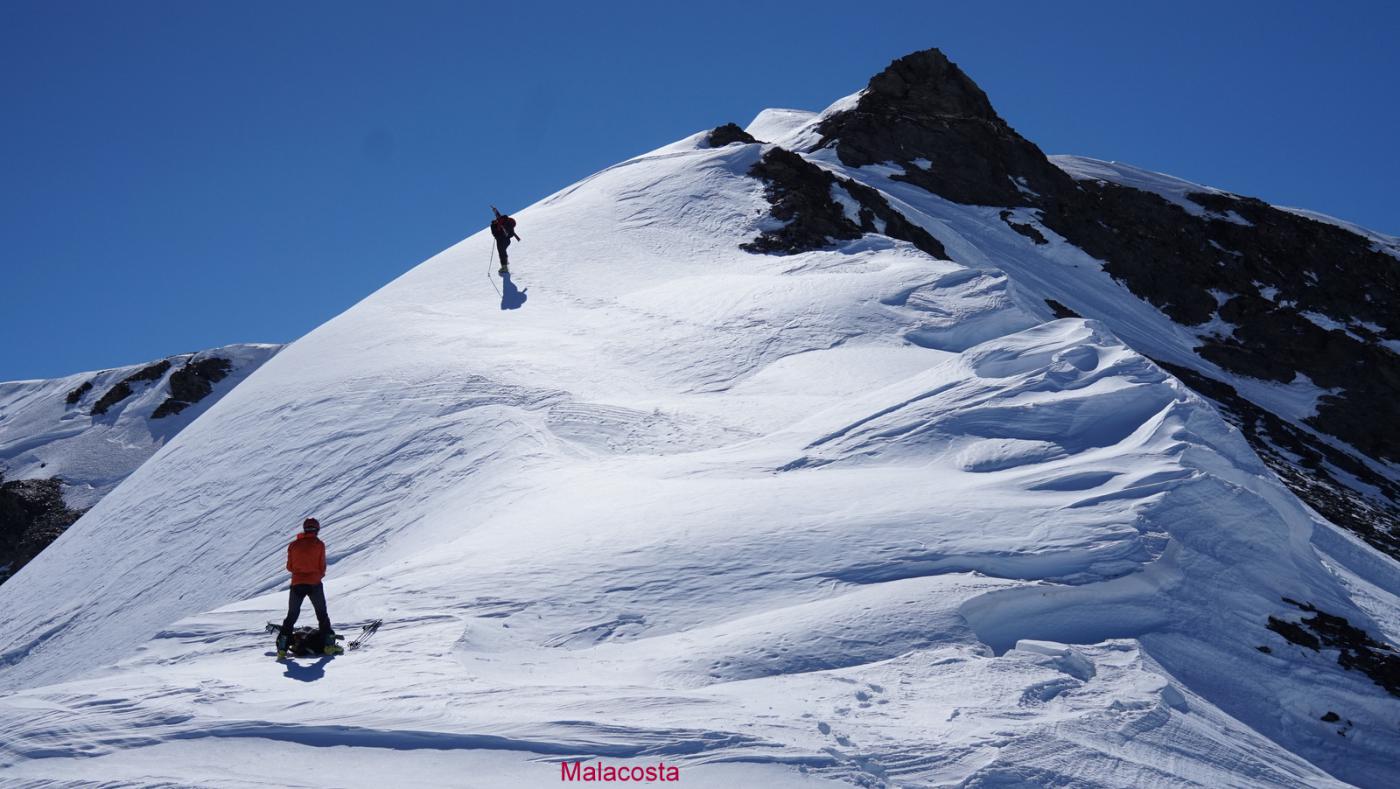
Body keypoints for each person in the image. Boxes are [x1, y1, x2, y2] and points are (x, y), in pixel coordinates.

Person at [277, 517, 337, 658]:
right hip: (314, 583)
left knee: (291, 616)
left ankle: (282, 649)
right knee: (322, 615)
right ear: (317, 529)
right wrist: (316, 576)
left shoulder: (293, 545)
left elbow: (289, 567)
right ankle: (329, 646)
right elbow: (322, 567)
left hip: (297, 584)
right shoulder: (319, 544)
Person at [490, 205, 521, 274]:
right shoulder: (502, 220)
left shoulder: (498, 222)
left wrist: (495, 210)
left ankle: (504, 267)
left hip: (502, 239)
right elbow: (498, 214)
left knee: (501, 252)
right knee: (502, 251)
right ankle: (505, 263)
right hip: (507, 240)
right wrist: (495, 210)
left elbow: (497, 215)